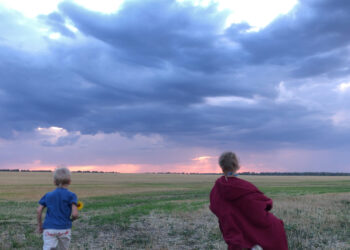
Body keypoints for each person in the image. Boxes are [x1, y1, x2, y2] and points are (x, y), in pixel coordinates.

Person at [209, 152, 288, 250]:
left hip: (233, 232)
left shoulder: (216, 189)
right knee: (277, 228)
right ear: (237, 165)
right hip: (248, 230)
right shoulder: (245, 186)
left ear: (221, 166)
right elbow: (264, 205)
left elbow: (215, 207)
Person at [37, 167, 79, 250]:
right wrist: (71, 219)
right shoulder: (71, 195)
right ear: (70, 181)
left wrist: (40, 225)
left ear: (54, 182)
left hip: (49, 228)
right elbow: (75, 214)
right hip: (64, 229)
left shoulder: (48, 195)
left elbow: (39, 210)